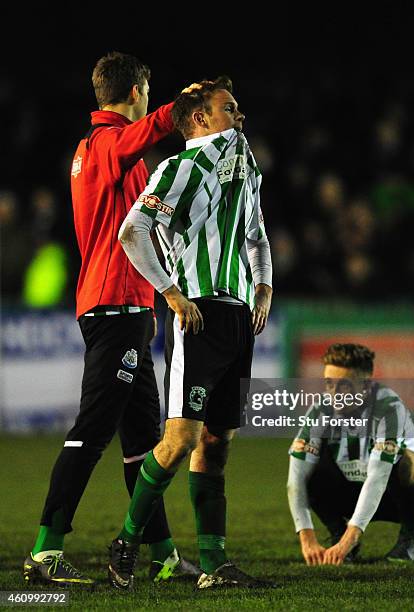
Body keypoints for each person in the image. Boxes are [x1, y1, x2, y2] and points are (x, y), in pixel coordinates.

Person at [23, 51, 200, 587]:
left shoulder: (98, 152)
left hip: (128, 308)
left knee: (143, 439)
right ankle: (45, 551)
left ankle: (163, 553)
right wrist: (182, 108)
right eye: (148, 92)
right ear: (136, 92)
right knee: (92, 430)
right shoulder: (104, 145)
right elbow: (139, 136)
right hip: (114, 307)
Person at [107, 75, 274, 590]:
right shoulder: (179, 168)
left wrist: (263, 286)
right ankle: (126, 544)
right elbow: (131, 231)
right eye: (229, 107)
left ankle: (214, 565)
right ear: (201, 119)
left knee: (218, 441)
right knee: (180, 439)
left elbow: (256, 234)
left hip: (236, 316)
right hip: (195, 314)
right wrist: (172, 292)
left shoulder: (243, 170)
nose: (239, 115)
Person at [287, 343, 414, 566]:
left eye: (344, 386)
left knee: (407, 462)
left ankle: (411, 539)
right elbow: (296, 477)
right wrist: (306, 536)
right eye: (329, 383)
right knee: (308, 466)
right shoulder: (320, 410)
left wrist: (353, 535)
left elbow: (378, 476)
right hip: (351, 488)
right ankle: (337, 533)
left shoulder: (388, 407)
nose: (335, 394)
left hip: (393, 493)